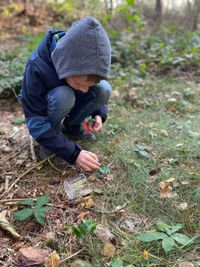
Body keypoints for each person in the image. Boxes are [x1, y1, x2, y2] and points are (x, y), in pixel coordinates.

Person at [18, 16, 112, 172]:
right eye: (80, 84)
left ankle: (72, 126)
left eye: (89, 85)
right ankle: (51, 141)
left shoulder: (80, 68)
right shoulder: (37, 67)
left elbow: (90, 86)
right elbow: (36, 122)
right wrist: (73, 154)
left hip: (66, 100)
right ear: (65, 65)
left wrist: (98, 113)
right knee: (64, 95)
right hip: (47, 114)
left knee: (104, 89)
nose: (85, 90)